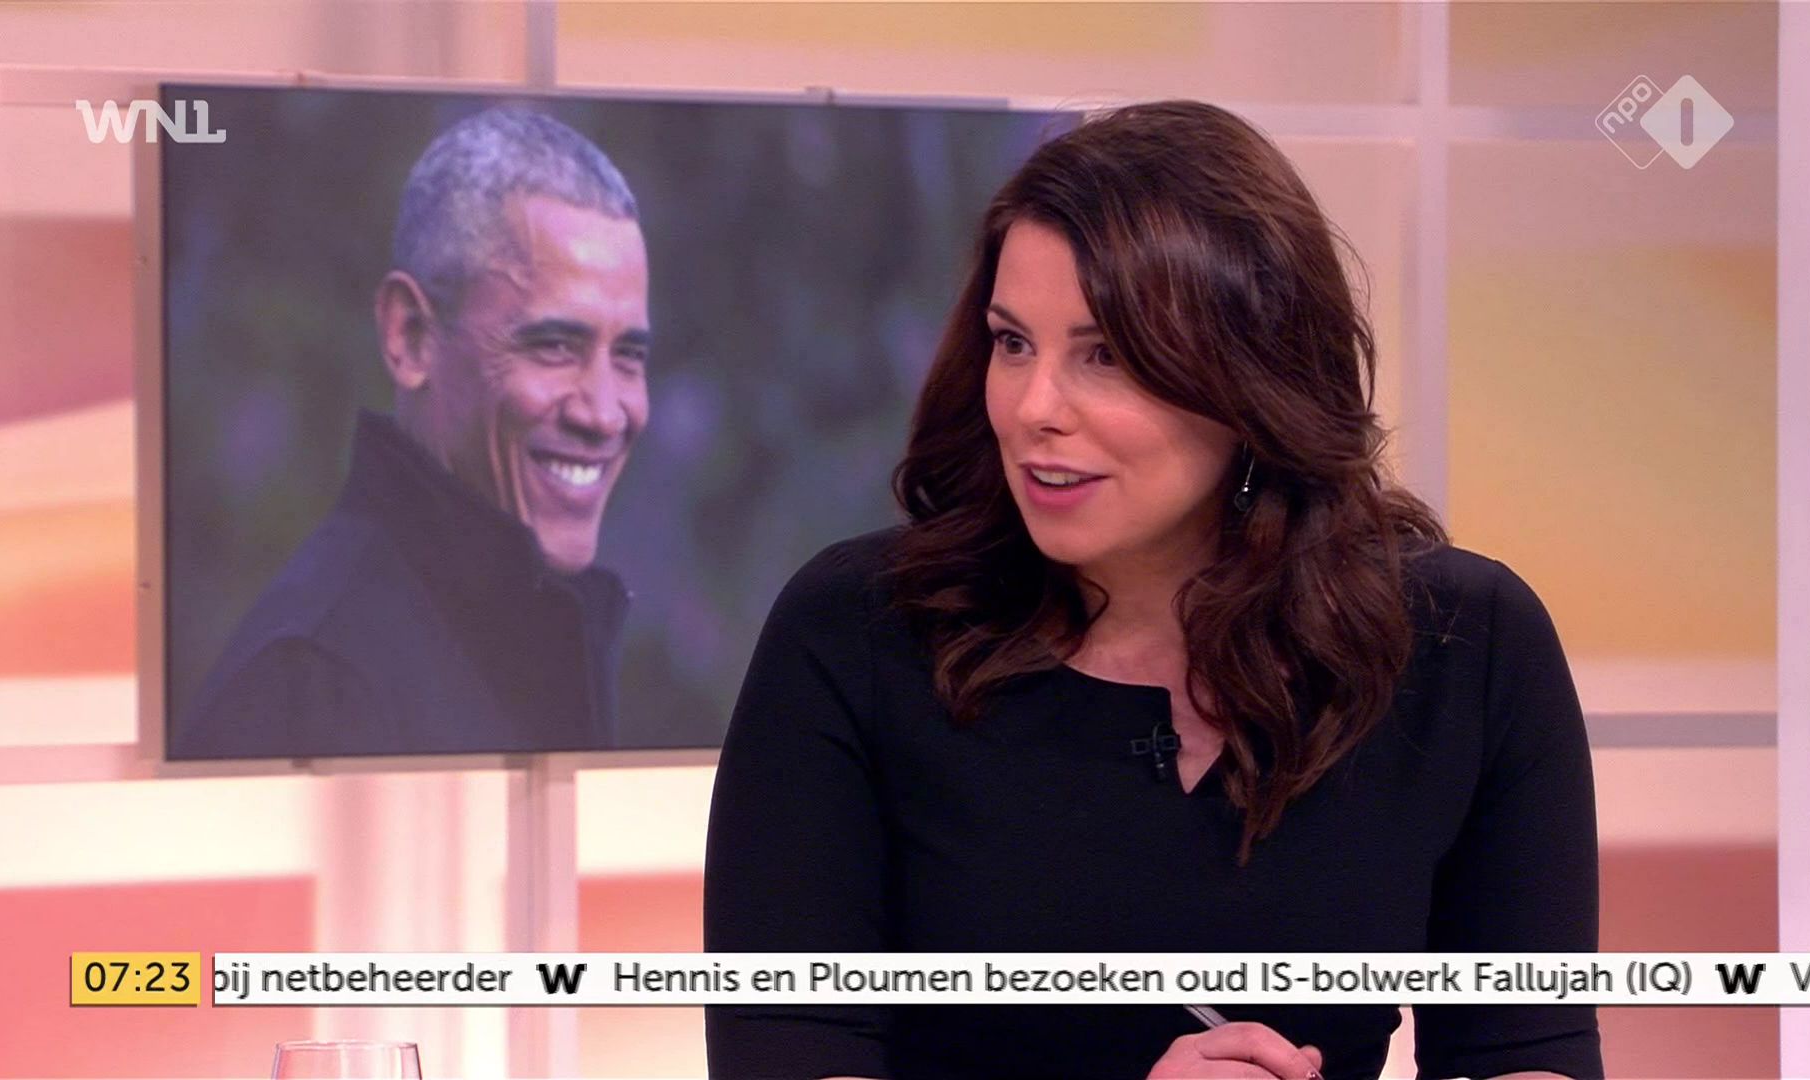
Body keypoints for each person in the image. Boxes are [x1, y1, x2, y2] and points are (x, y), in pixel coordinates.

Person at [703, 101, 1601, 1080]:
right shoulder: (856, 632)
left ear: (1252, 379)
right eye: (1013, 343)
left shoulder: (1463, 645)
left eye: (1107, 355)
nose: (1035, 408)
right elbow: (788, 1054)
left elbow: (1527, 1054)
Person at [169, 106, 651, 759]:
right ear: (411, 337)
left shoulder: (530, 635)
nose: (605, 413)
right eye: (555, 346)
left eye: (629, 356)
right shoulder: (311, 685)